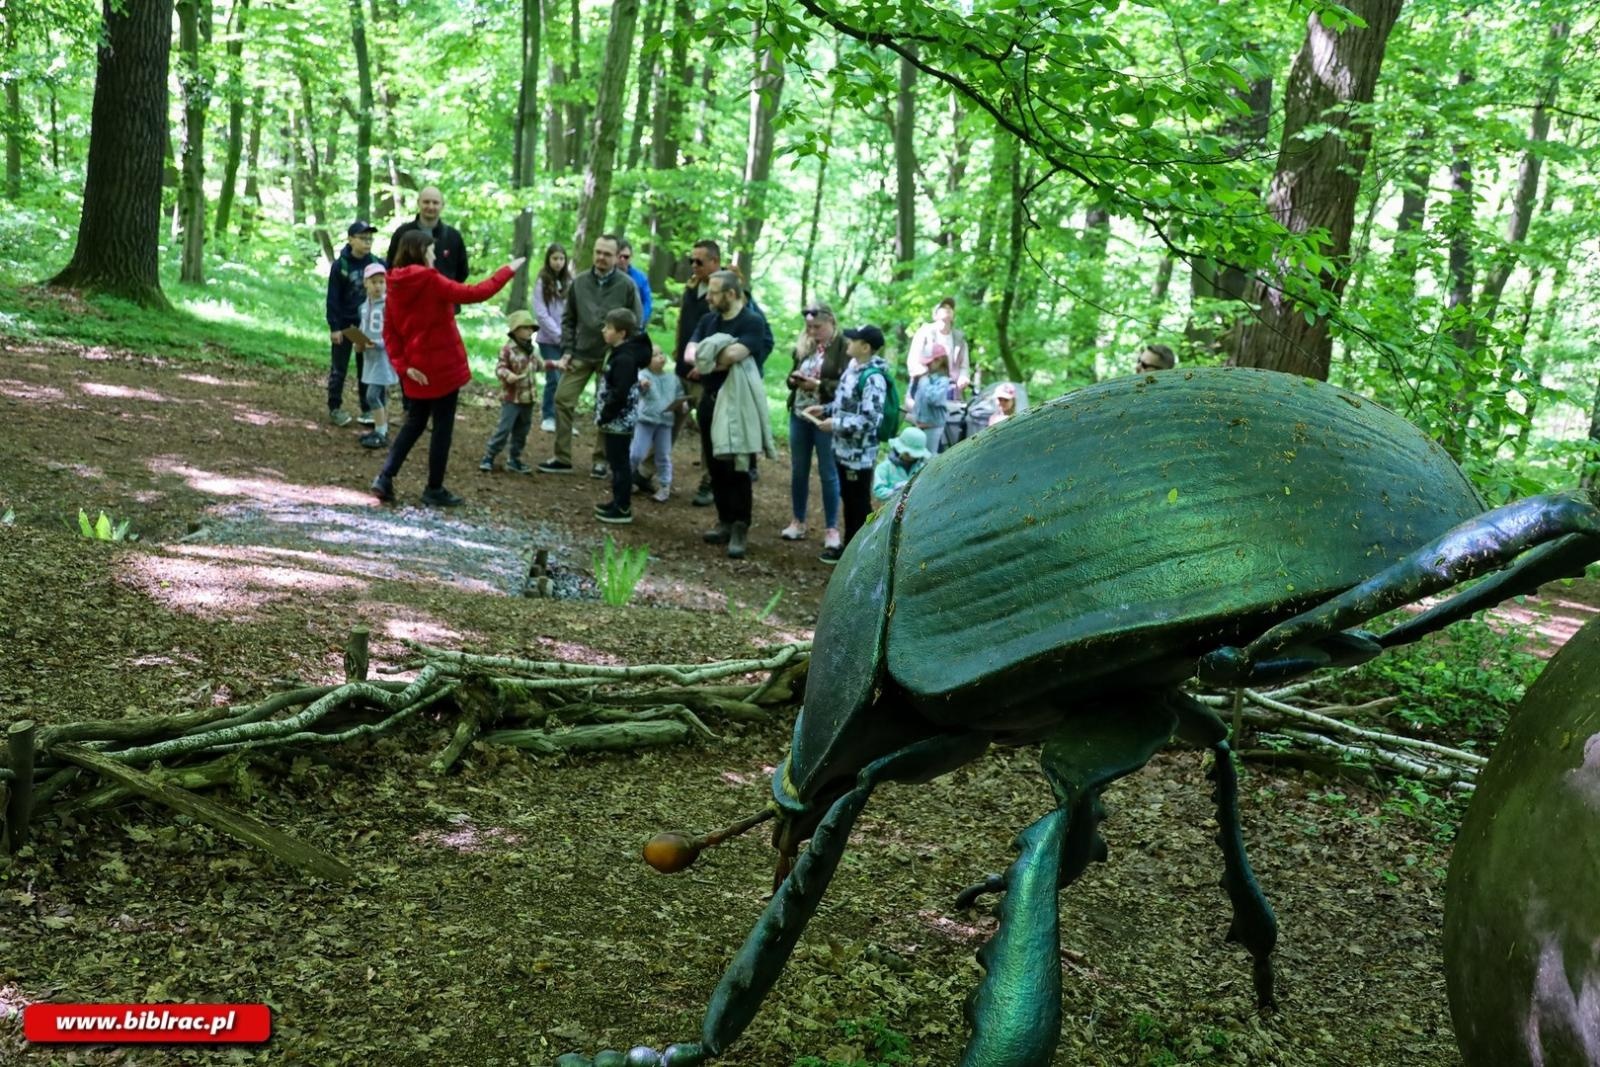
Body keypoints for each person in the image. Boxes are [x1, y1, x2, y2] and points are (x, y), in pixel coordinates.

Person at [370, 231, 523, 507]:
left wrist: (404, 368)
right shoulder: (430, 280)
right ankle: (434, 488)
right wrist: (508, 270)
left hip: (416, 370)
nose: (434, 257)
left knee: (414, 424)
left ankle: (385, 477)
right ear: (419, 252)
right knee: (442, 428)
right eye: (430, 251)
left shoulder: (394, 285)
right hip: (443, 368)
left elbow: (390, 334)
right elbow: (475, 293)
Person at [539, 234, 643, 478]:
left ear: (617, 257)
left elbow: (636, 323)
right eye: (598, 252)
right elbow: (568, 319)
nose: (601, 257)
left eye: (607, 254)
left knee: (607, 403)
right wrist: (567, 350)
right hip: (581, 352)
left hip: (611, 357)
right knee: (562, 398)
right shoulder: (580, 282)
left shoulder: (627, 285)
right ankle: (562, 457)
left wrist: (626, 355)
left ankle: (601, 459)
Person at [688, 270, 774, 559]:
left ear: (731, 294)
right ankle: (724, 520)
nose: (708, 298)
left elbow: (733, 355)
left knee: (738, 466)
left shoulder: (752, 322)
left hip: (738, 404)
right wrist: (712, 357)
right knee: (714, 465)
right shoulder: (708, 320)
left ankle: (740, 526)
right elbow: (690, 353)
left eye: (714, 293)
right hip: (710, 401)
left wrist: (708, 357)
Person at [805, 324, 890, 564]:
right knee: (849, 499)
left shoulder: (873, 378)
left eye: (854, 340)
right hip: (842, 451)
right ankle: (852, 550)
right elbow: (845, 404)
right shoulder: (852, 369)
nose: (848, 343)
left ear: (865, 347)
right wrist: (824, 409)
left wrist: (836, 424)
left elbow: (871, 420)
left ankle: (862, 557)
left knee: (859, 503)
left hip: (859, 455)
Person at [781, 302, 846, 553]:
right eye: (809, 327)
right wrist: (794, 380)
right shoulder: (804, 346)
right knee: (799, 470)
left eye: (817, 327)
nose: (812, 331)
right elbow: (791, 377)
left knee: (828, 472)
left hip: (825, 418)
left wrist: (817, 385)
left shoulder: (843, 348)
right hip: (799, 414)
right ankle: (798, 521)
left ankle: (831, 528)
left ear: (831, 323)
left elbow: (844, 385)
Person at [665, 239, 722, 507]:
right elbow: (683, 323)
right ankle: (648, 469)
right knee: (668, 416)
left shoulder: (725, 292)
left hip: (706, 374)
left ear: (714, 262)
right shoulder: (690, 288)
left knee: (708, 428)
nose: (694, 266)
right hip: (682, 369)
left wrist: (708, 365)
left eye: (699, 261)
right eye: (691, 260)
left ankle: (709, 480)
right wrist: (679, 350)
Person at [593, 307, 652, 525]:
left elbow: (621, 392)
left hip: (619, 421)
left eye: (608, 328)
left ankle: (623, 507)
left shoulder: (625, 358)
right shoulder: (618, 354)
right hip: (614, 421)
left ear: (622, 333)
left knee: (620, 464)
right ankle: (617, 500)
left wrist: (607, 414)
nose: (604, 331)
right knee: (615, 461)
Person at [325, 220, 380, 427]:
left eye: (370, 238)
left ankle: (367, 409)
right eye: (363, 238)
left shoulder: (376, 264)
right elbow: (333, 299)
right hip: (346, 325)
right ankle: (335, 407)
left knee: (365, 367)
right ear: (350, 240)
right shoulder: (341, 266)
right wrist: (335, 327)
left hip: (367, 326)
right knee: (339, 368)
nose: (367, 242)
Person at [480, 310, 539, 474]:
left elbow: (540, 365)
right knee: (504, 428)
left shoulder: (532, 350)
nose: (529, 331)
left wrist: (556, 364)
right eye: (525, 328)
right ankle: (489, 456)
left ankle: (514, 459)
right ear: (515, 330)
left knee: (522, 430)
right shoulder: (507, 350)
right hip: (512, 398)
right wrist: (508, 375)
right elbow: (500, 368)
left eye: (531, 328)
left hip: (528, 397)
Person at [632, 345, 687, 504]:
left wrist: (682, 404)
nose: (660, 357)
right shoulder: (643, 375)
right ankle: (625, 478)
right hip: (646, 420)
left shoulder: (672, 378)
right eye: (655, 355)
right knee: (636, 453)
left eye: (661, 353)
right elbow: (636, 390)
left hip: (665, 422)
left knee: (663, 455)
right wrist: (642, 386)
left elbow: (679, 394)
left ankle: (664, 486)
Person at [384, 186, 469, 283]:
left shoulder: (453, 236)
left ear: (442, 205)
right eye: (426, 202)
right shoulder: (402, 233)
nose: (431, 206)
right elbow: (391, 266)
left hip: (444, 291)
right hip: (410, 290)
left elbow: (462, 271)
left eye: (435, 203)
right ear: (418, 203)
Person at [354, 263, 397, 450]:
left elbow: (393, 332)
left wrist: (378, 343)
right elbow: (363, 328)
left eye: (382, 282)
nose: (378, 286)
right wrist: (358, 342)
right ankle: (382, 429)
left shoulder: (389, 306)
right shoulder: (364, 307)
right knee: (379, 395)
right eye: (374, 282)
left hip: (383, 357)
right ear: (366, 283)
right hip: (369, 357)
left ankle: (380, 432)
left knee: (372, 395)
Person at [532, 243, 572, 433]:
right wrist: (558, 335)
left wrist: (569, 335)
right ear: (548, 259)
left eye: (561, 258)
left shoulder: (569, 281)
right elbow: (541, 313)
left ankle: (563, 419)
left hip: (567, 339)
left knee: (567, 381)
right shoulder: (542, 282)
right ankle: (548, 416)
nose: (558, 262)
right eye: (555, 258)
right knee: (554, 378)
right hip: (548, 339)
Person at [906, 297, 971, 397]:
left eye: (950, 308)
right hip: (925, 387)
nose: (948, 309)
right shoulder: (924, 332)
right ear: (935, 315)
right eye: (943, 307)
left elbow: (964, 367)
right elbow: (913, 362)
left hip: (952, 390)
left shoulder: (960, 339)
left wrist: (963, 377)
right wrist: (927, 376)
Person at [906, 349, 951, 455]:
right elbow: (918, 401)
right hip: (921, 425)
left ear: (939, 361)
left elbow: (934, 399)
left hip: (933, 427)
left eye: (929, 363)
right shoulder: (926, 379)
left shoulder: (943, 381)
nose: (927, 366)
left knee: (929, 456)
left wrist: (925, 383)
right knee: (917, 454)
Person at [872, 426, 931, 505]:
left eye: (914, 455)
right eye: (907, 453)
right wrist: (895, 492)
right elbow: (878, 490)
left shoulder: (921, 468)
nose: (911, 457)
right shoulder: (885, 467)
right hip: (891, 507)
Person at [616, 239, 653, 325]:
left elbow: (647, 302)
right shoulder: (607, 275)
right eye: (619, 256)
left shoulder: (640, 278)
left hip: (633, 323)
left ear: (631, 257)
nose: (622, 259)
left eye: (626, 257)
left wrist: (640, 321)